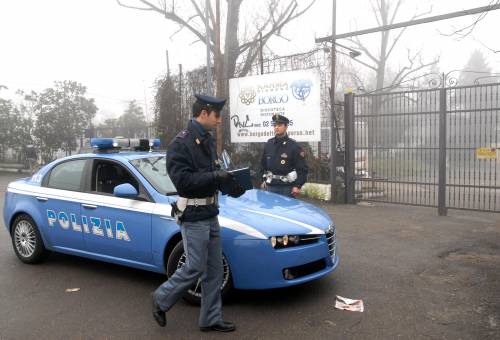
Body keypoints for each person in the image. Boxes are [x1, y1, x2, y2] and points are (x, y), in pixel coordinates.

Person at [152, 94, 244, 333]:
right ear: (203, 113)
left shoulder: (208, 140)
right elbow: (184, 181)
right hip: (193, 215)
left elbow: (213, 172)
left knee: (214, 270)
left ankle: (210, 318)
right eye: (216, 115)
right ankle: (161, 298)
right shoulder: (180, 144)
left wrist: (230, 184)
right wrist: (215, 177)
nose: (219, 120)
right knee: (195, 266)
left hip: (210, 212)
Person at [259, 114, 308, 197]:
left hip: (286, 188)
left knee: (286, 210)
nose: (276, 127)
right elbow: (263, 165)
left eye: (280, 125)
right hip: (270, 186)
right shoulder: (269, 144)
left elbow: (302, 169)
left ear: (286, 127)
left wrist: (297, 186)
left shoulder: (294, 146)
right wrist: (262, 180)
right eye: (274, 125)